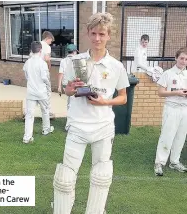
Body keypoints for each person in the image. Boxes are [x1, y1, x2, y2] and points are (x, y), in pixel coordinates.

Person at [52, 12, 129, 214]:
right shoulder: (75, 62)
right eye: (94, 33)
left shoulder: (116, 66)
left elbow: (123, 97)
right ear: (87, 33)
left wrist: (105, 102)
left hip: (103, 127)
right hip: (77, 125)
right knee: (66, 177)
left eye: (102, 34)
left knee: (101, 175)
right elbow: (66, 90)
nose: (97, 38)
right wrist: (72, 88)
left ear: (109, 35)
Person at [154, 47, 187, 176]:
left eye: (186, 59)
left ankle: (174, 161)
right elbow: (160, 92)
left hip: (185, 108)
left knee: (180, 136)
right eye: (181, 58)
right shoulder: (168, 73)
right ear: (176, 58)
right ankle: (159, 163)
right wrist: (176, 93)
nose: (183, 61)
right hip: (171, 108)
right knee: (167, 135)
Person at [22, 41, 54, 144]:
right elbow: (45, 78)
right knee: (45, 110)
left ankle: (27, 137)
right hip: (41, 91)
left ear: (31, 50)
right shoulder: (42, 63)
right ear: (40, 50)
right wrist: (49, 88)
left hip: (31, 92)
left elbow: (26, 77)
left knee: (29, 115)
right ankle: (46, 129)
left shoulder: (27, 62)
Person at [40, 31, 56, 119]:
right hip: (43, 71)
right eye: (51, 40)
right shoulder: (46, 47)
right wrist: (49, 68)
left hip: (35, 72)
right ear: (47, 38)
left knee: (35, 92)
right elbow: (47, 59)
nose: (51, 42)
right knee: (47, 92)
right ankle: (47, 112)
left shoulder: (37, 44)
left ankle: (29, 112)